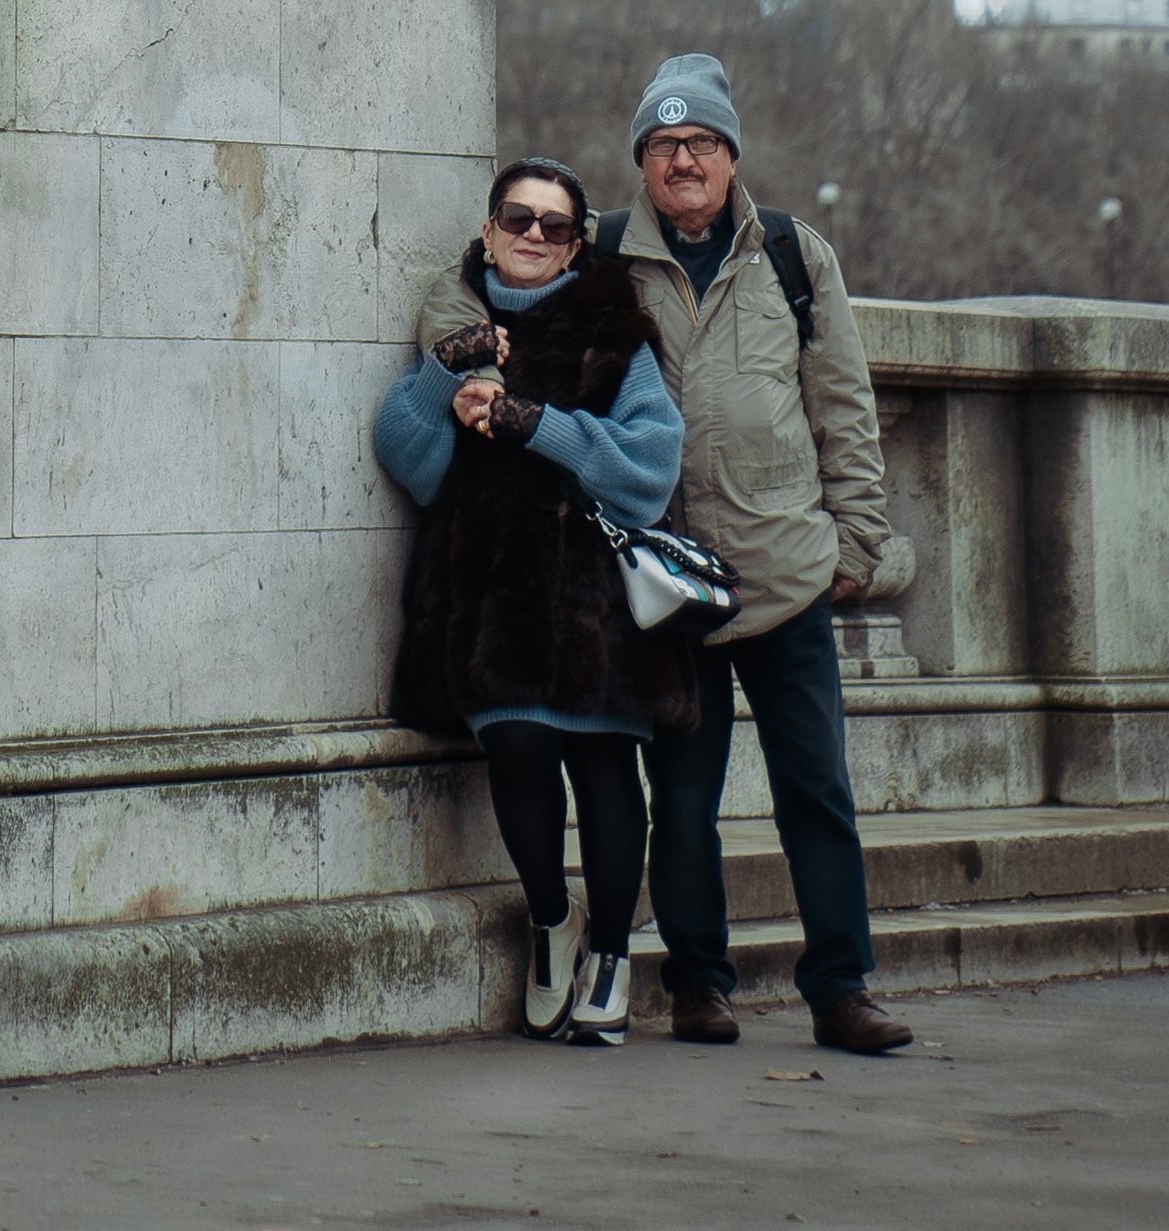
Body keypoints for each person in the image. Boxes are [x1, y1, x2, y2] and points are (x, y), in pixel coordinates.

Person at [605, 53, 912, 1056]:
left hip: (785, 575)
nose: (682, 159)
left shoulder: (792, 253)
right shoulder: (605, 258)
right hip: (668, 586)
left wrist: (857, 538)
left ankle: (840, 990)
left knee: (815, 793)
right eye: (663, 145)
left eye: (699, 143)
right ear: (642, 163)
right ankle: (700, 985)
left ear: (732, 156)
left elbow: (843, 406)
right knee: (681, 804)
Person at [374, 155, 691, 1048]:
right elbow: (410, 454)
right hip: (492, 598)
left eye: (555, 225)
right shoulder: (457, 320)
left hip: (596, 605)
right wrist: (450, 373)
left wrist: (534, 423)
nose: (533, 236)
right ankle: (553, 920)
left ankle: (614, 958)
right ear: (488, 227)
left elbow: (648, 465)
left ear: (576, 241)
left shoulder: (614, 332)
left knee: (603, 772)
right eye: (518, 217)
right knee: (516, 747)